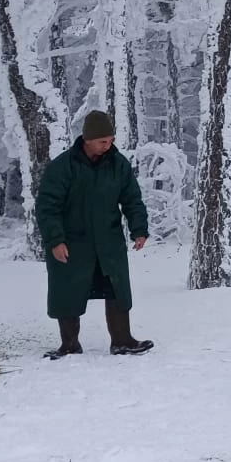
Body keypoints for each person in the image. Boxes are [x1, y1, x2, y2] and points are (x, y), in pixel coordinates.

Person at [35, 110, 152, 359]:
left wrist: (139, 229)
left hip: (109, 242)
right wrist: (55, 240)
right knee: (67, 291)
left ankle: (122, 340)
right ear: (87, 139)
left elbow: (132, 199)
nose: (109, 145)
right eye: (103, 141)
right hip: (72, 242)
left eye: (110, 139)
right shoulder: (63, 167)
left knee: (117, 289)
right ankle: (69, 345)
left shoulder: (118, 165)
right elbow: (47, 206)